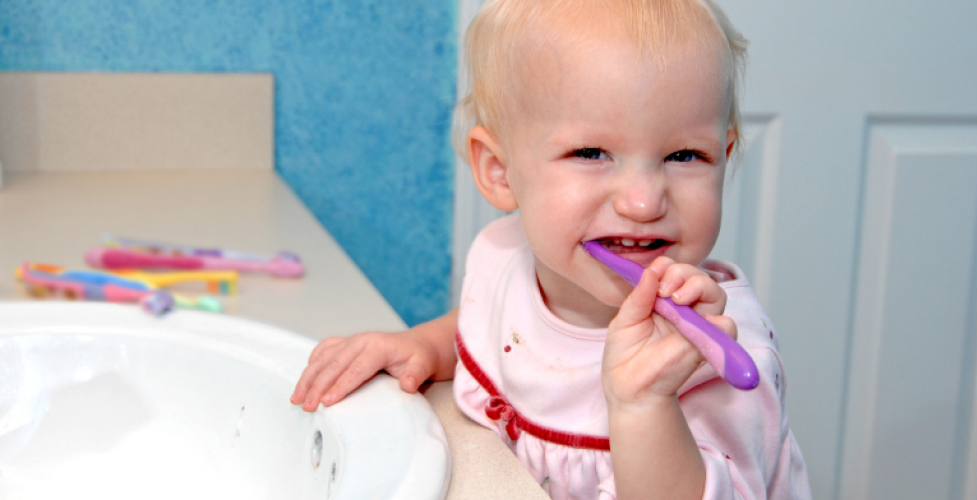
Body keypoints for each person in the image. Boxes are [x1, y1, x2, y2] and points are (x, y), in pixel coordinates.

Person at [292, 0, 810, 498]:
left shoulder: (715, 354)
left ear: (724, 155)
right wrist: (427, 346)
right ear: (499, 171)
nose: (643, 201)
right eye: (591, 152)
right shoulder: (507, 256)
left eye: (684, 155)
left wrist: (644, 406)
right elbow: (501, 325)